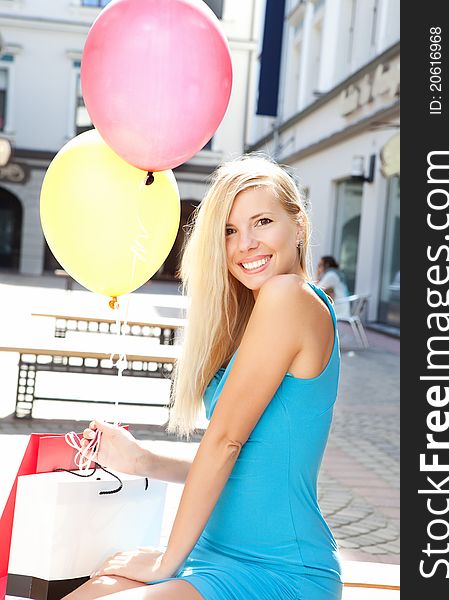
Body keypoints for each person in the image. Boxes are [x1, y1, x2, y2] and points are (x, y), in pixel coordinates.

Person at [66, 155, 343, 600]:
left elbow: (225, 442)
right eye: (229, 231)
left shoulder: (289, 296)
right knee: (96, 586)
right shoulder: (252, 315)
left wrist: (164, 562)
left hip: (281, 571)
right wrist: (144, 462)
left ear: (299, 225)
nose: (245, 244)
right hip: (213, 555)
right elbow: (254, 461)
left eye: (263, 221)